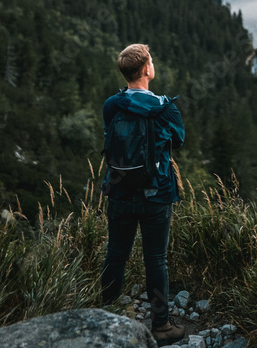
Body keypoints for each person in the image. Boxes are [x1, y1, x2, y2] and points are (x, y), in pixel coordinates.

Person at [99, 43, 185, 346]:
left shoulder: (112, 105)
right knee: (156, 260)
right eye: (151, 61)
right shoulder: (165, 107)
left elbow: (110, 133)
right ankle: (161, 325)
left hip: (120, 192)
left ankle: (104, 316)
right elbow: (179, 139)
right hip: (156, 195)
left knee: (116, 255)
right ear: (147, 69)